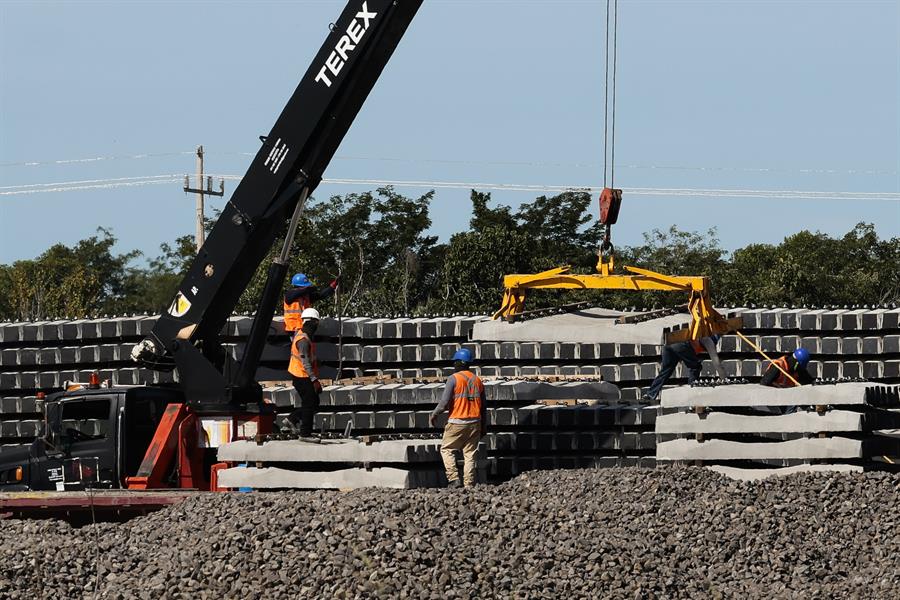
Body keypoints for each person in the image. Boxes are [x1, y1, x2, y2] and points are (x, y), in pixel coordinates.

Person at [428, 349, 486, 488]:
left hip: (457, 421)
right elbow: (484, 408)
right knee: (470, 454)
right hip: (475, 422)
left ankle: (454, 479)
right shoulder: (478, 381)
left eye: (455, 362)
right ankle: (469, 485)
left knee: (447, 449)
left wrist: (434, 414)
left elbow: (443, 403)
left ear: (459, 363)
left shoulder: (453, 379)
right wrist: (484, 426)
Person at [642, 335, 726, 402]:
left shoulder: (703, 333)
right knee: (695, 367)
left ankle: (650, 394)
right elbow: (716, 363)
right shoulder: (709, 340)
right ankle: (691, 392)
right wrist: (724, 380)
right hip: (680, 344)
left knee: (666, 371)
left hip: (668, 343)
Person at [285, 308, 323, 437]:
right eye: (316, 323)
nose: (317, 326)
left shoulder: (304, 335)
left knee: (314, 403)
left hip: (303, 374)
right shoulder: (303, 340)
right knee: (309, 404)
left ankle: (293, 418)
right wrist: (314, 380)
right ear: (311, 322)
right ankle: (305, 433)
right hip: (301, 375)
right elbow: (305, 362)